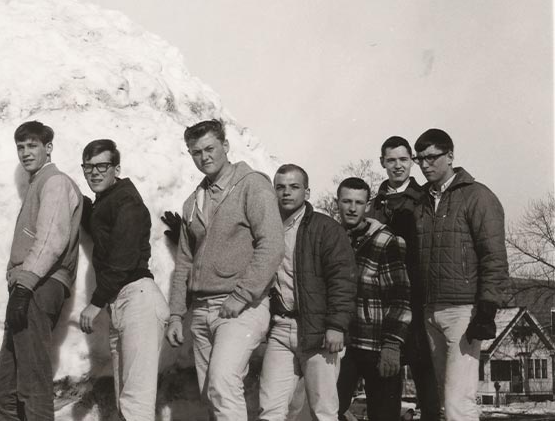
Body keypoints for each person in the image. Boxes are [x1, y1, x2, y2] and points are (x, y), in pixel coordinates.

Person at [165, 119, 284, 420]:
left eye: (210, 149)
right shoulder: (193, 201)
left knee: (223, 383)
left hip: (240, 308)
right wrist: (177, 314)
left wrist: (241, 295)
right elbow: (185, 261)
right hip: (202, 310)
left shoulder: (252, 185)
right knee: (211, 394)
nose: (204, 157)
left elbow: (272, 245)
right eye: (196, 152)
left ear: (226, 146)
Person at [0, 121, 82, 421]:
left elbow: (51, 239)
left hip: (39, 286)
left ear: (48, 148)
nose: (25, 152)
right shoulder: (39, 183)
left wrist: (25, 285)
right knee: (2, 395)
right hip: (28, 286)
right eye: (21, 147)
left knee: (32, 386)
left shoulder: (54, 182)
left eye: (33, 145)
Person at [412, 128, 508, 420]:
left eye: (432, 157)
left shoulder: (477, 196)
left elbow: (494, 256)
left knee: (458, 402)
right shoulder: (422, 201)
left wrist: (487, 308)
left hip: (463, 311)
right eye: (420, 159)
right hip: (431, 310)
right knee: (448, 399)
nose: (425, 164)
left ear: (450, 155)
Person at [77, 139, 168, 421]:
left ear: (116, 169)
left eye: (102, 166)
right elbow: (97, 224)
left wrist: (95, 303)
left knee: (135, 404)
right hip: (123, 303)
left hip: (138, 300)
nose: (94, 172)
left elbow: (123, 260)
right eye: (88, 167)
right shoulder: (108, 201)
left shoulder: (126, 201)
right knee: (125, 402)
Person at [258, 164, 355, 421]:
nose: (286, 193)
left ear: (307, 192)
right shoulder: (267, 228)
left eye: (294, 187)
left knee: (324, 411)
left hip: (318, 330)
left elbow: (342, 281)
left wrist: (336, 325)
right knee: (270, 409)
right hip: (281, 328)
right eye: (280, 187)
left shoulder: (326, 228)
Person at [368, 136, 440, 420]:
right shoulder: (374, 206)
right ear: (382, 162)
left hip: (420, 299)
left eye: (403, 159)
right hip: (384, 303)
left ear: (412, 161)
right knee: (386, 377)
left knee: (427, 377)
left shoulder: (426, 200)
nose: (398, 166)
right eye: (391, 160)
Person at [335, 178, 411, 421]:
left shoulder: (385, 240)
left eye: (358, 202)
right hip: (342, 343)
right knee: (329, 409)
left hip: (376, 344)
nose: (352, 208)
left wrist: (392, 345)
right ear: (337, 203)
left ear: (367, 206)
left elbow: (400, 297)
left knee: (384, 414)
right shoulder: (332, 238)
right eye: (346, 201)